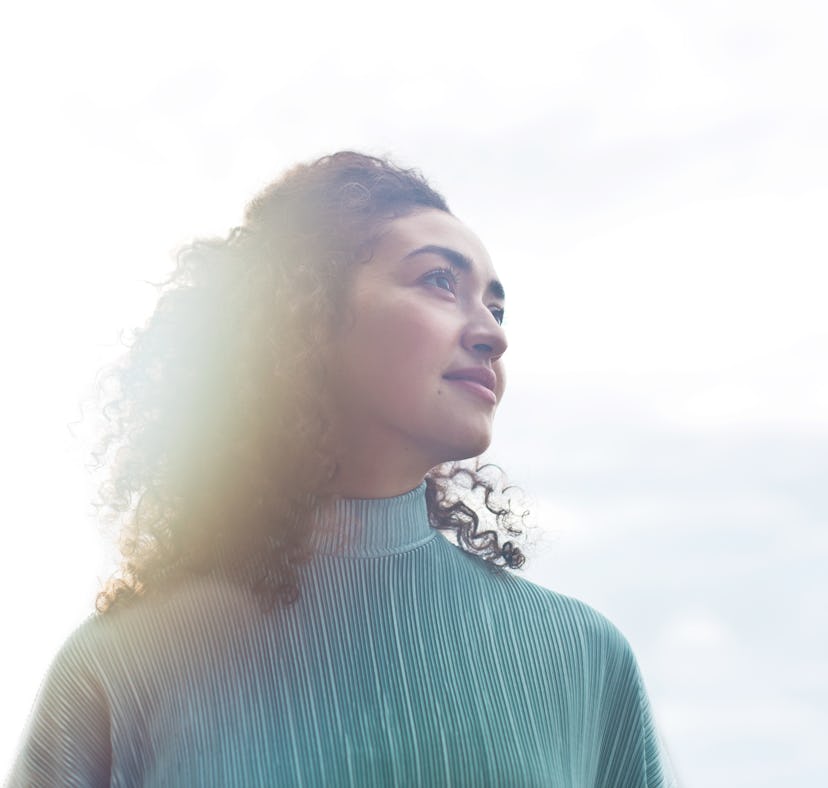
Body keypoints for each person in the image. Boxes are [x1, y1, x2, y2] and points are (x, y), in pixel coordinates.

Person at [7, 152, 676, 786]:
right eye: (440, 281)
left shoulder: (585, 659)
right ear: (304, 315)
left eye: (496, 308)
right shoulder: (118, 666)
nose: (493, 335)